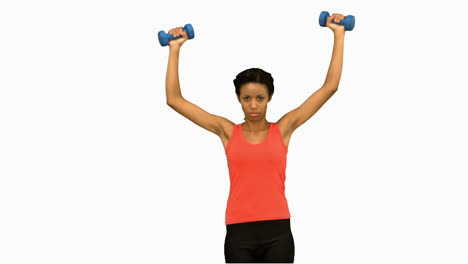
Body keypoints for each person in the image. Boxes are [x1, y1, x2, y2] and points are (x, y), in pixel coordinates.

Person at [165, 13, 347, 263]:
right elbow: (174, 100)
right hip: (239, 232)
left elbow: (330, 87)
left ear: (269, 98)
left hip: (278, 231)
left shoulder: (283, 129)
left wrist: (339, 34)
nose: (253, 105)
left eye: (259, 98)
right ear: (238, 99)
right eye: (246, 98)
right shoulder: (227, 131)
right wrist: (174, 49)